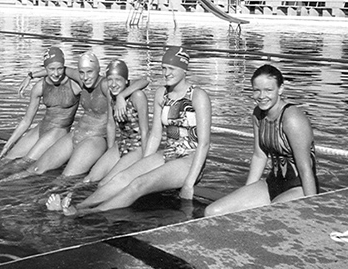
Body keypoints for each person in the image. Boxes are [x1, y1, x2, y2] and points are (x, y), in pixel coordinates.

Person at [46, 45, 211, 215]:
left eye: (171, 69)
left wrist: (189, 183)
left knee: (139, 183)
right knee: (122, 178)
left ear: (184, 69)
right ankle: (79, 205)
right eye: (163, 68)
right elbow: (155, 134)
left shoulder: (198, 96)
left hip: (188, 159)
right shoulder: (162, 94)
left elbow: (204, 144)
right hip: (168, 153)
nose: (166, 73)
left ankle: (84, 213)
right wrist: (145, 164)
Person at [204, 64, 319, 217]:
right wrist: (247, 191)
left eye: (268, 90)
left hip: (299, 187)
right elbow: (259, 155)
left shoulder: (292, 118)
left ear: (281, 89)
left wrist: (314, 208)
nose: (261, 96)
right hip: (273, 184)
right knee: (212, 212)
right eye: (256, 90)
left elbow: (306, 169)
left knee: (267, 218)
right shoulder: (258, 114)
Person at [20, 52, 147, 177]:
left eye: (90, 72)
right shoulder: (82, 81)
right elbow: (60, 70)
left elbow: (143, 81)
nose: (85, 77)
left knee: (65, 178)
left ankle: (57, 197)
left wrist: (121, 96)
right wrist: (31, 76)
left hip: (95, 140)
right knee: (34, 168)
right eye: (81, 72)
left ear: (98, 70)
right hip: (76, 134)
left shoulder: (106, 85)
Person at [0, 46, 80, 162]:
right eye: (51, 69)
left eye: (60, 69)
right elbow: (26, 120)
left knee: (23, 163)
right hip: (42, 127)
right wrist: (7, 146)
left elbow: (91, 81)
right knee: (6, 159)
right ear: (45, 68)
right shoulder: (39, 87)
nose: (56, 74)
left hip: (59, 131)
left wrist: (31, 75)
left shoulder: (75, 85)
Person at [81, 59, 149, 184]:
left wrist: (145, 161)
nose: (113, 84)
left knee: (105, 183)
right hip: (120, 145)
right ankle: (67, 198)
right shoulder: (110, 95)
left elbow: (145, 131)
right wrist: (109, 152)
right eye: (109, 79)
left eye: (118, 79)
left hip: (137, 147)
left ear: (126, 81)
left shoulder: (137, 96)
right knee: (88, 179)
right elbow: (111, 124)